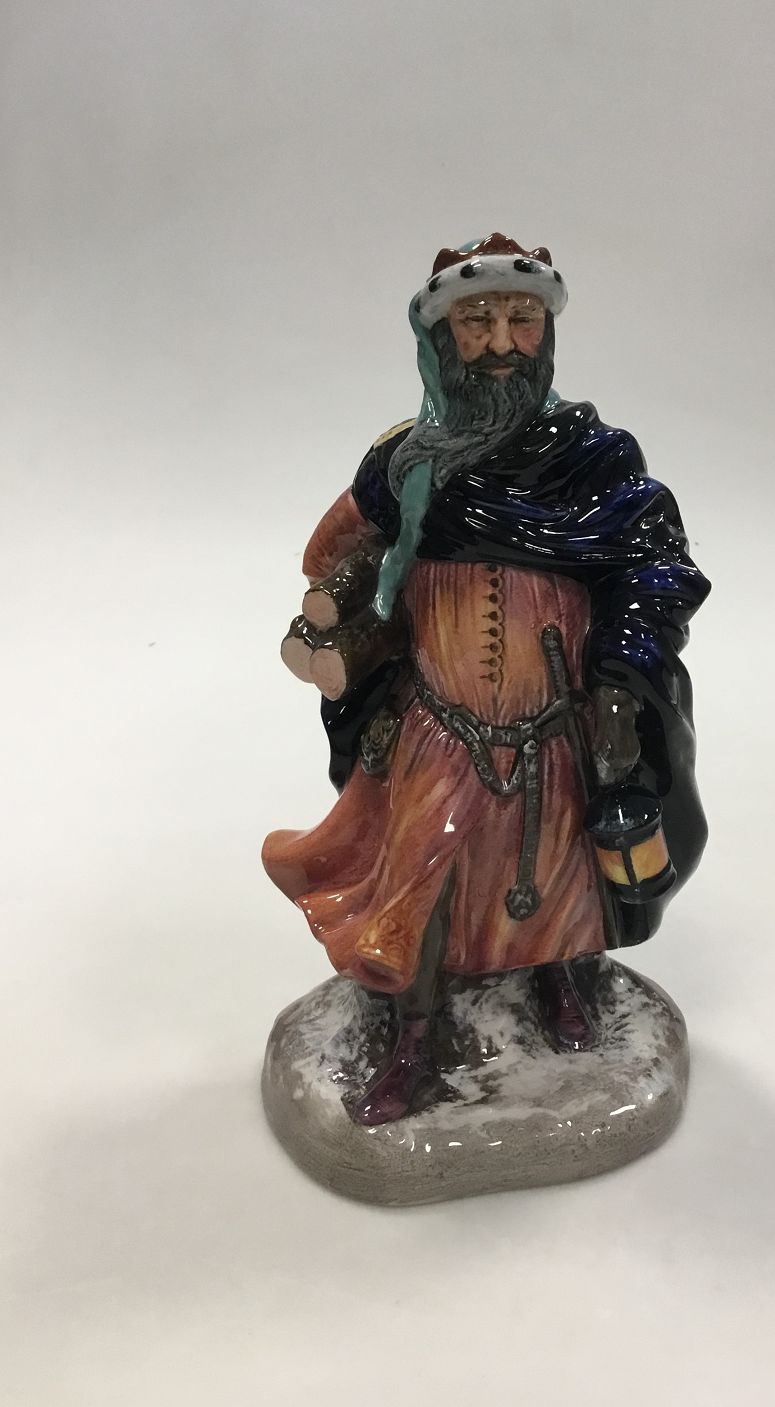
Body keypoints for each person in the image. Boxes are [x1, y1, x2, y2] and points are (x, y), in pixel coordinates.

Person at [263, 233, 710, 1126]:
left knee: (560, 868)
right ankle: (414, 1039)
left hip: (557, 720)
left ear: (546, 331)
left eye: (521, 318)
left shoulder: (594, 461)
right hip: (442, 725)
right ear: (443, 337)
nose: (503, 342)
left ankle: (562, 977)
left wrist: (620, 677)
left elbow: (652, 570)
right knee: (422, 880)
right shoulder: (407, 465)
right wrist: (343, 606)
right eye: (477, 320)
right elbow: (343, 552)